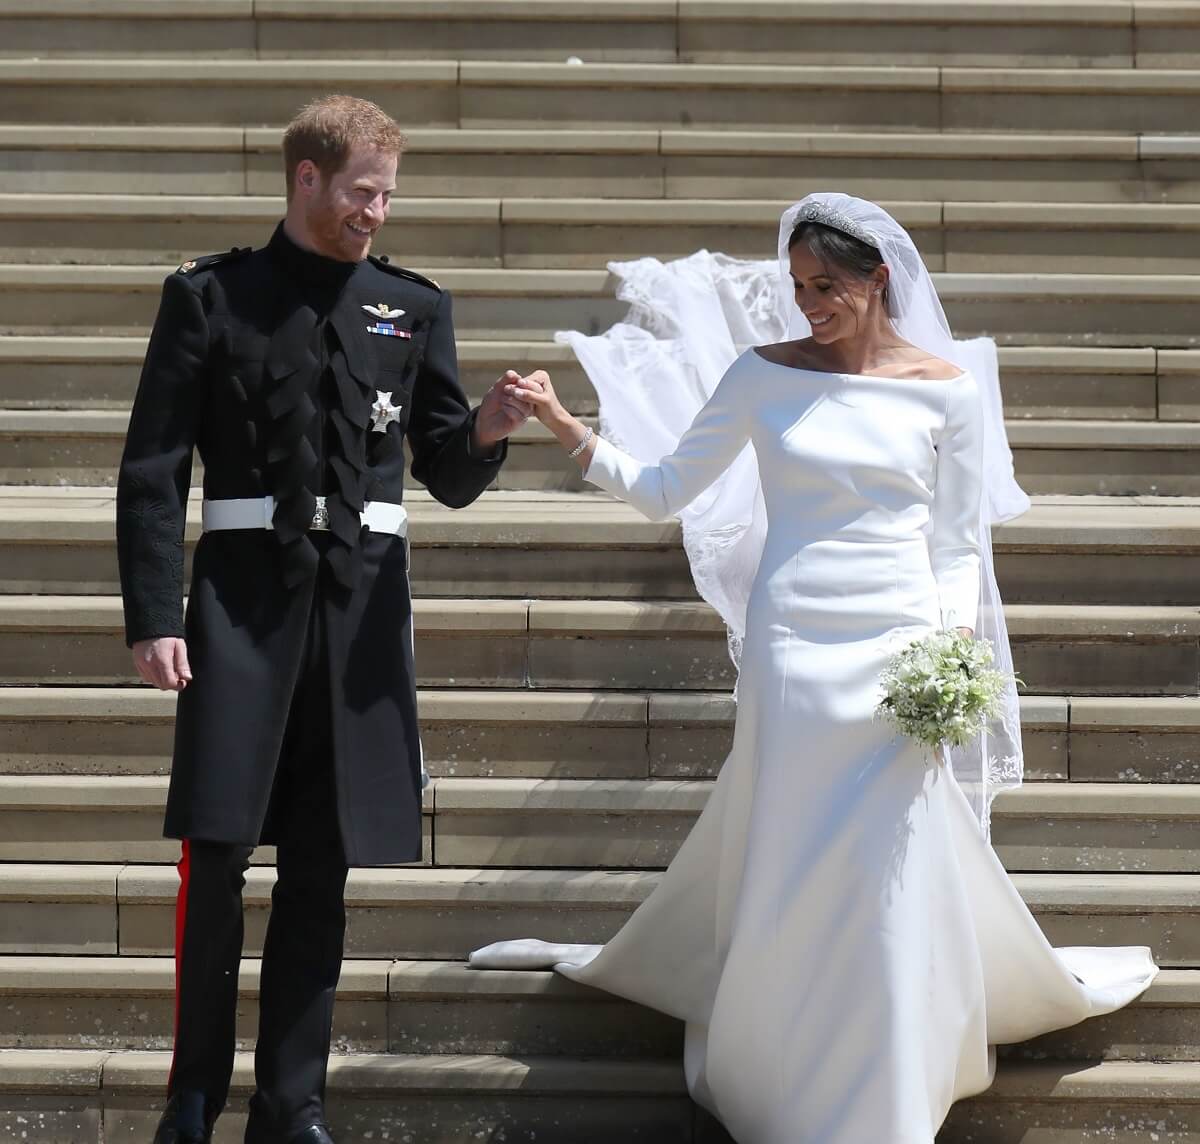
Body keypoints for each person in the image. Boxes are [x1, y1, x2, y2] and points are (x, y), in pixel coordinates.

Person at [470, 194, 1158, 1144]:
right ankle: (786, 1073)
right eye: (797, 287)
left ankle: (892, 1076)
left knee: (891, 862)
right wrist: (560, 424)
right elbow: (667, 491)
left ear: (880, 280)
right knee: (796, 855)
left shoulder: (949, 388)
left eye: (826, 286)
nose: (809, 305)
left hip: (902, 649)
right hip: (794, 643)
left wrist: (949, 654)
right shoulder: (761, 377)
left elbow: (958, 547)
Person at [117, 94, 533, 1144]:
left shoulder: (413, 308)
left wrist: (485, 427)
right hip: (238, 610)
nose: (376, 213)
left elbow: (445, 471)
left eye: (387, 194)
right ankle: (193, 1098)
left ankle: (292, 1105)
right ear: (306, 179)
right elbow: (155, 469)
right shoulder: (211, 298)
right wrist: (153, 614)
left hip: (356, 623)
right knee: (214, 858)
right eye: (361, 192)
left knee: (322, 862)